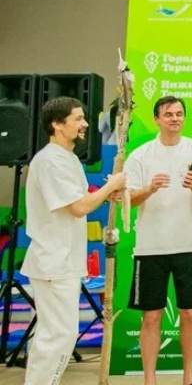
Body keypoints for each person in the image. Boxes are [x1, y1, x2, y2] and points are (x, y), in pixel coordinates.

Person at [21, 96, 126, 385]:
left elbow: (80, 200)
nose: (85, 124)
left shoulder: (68, 158)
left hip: (63, 261)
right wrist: (110, 185)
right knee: (60, 336)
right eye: (78, 119)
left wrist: (108, 193)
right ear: (57, 124)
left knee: (53, 335)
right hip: (54, 262)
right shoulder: (50, 161)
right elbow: (78, 207)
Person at [124, 95, 192, 385]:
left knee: (190, 314)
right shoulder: (140, 156)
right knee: (151, 317)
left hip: (189, 246)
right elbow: (128, 199)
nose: (175, 119)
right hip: (150, 248)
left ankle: (188, 377)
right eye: (168, 114)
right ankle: (149, 379)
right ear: (156, 119)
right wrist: (150, 189)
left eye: (179, 114)